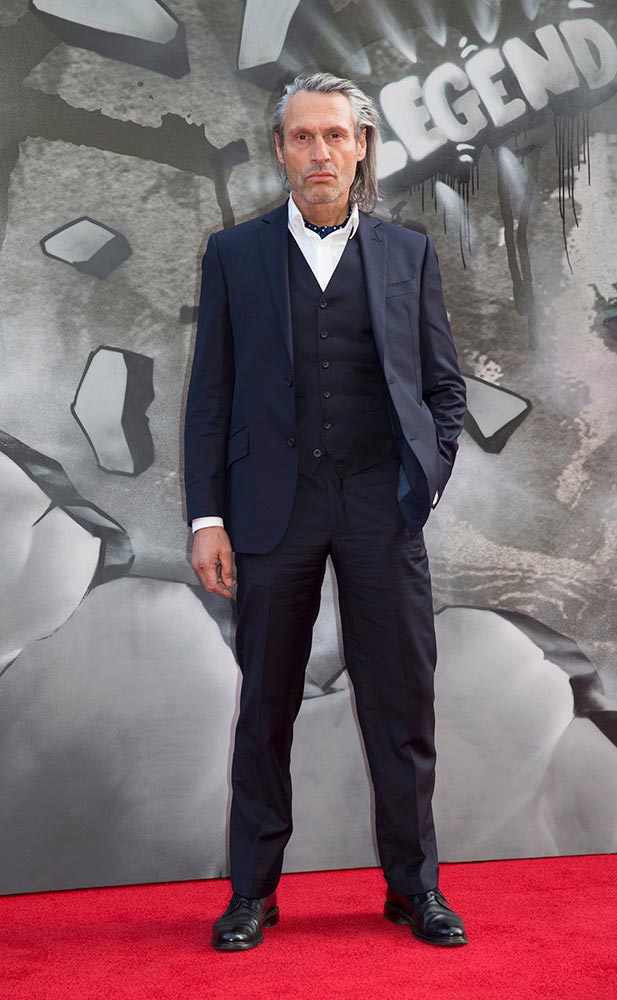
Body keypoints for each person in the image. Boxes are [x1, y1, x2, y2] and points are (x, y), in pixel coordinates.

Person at [184, 72, 468, 951]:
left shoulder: (406, 253)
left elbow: (444, 387)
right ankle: (252, 894)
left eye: (335, 135)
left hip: (382, 505)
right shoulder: (232, 254)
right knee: (264, 704)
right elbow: (210, 396)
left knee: (400, 701)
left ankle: (414, 888)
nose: (320, 152)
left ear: (360, 147)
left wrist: (423, 483)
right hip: (273, 508)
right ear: (280, 150)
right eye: (303, 136)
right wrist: (206, 519)